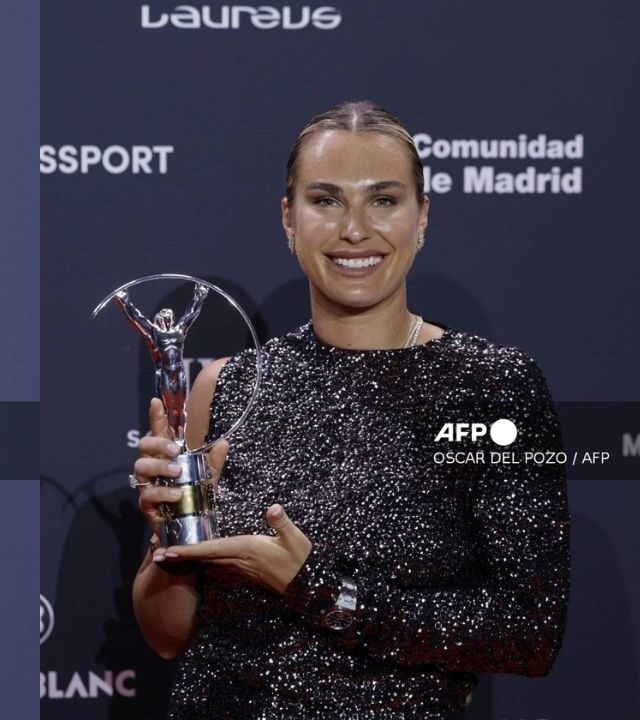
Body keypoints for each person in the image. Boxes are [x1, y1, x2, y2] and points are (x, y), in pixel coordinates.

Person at [129, 101, 570, 719]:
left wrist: (317, 586)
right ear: (289, 218)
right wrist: (171, 528)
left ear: (422, 216)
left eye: (383, 200)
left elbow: (529, 633)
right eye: (326, 200)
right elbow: (168, 635)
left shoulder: (491, 387)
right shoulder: (225, 386)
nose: (355, 230)